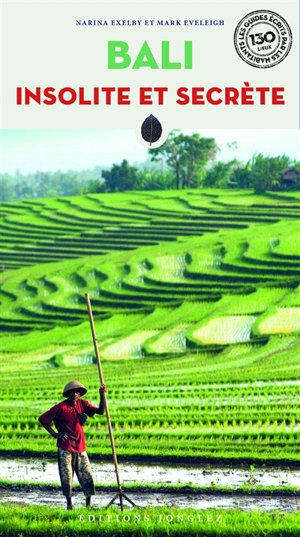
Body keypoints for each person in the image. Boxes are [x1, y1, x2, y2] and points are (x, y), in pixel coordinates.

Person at [38, 380, 107, 510]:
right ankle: (69, 505)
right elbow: (43, 419)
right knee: (67, 477)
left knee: (87, 476)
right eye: (72, 392)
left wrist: (102, 395)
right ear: (67, 394)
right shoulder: (60, 408)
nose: (75, 394)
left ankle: (88, 505)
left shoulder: (82, 404)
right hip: (66, 448)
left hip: (81, 448)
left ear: (80, 394)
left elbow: (100, 411)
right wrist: (55, 434)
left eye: (77, 392)